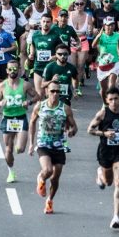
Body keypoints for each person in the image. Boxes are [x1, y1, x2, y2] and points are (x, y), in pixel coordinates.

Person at [28, 81, 77, 215]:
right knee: (47, 170)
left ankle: (49, 201)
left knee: (55, 179)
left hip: (59, 146)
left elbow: (74, 126)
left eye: (57, 91)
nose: (55, 94)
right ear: (46, 92)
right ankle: (41, 178)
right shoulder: (40, 106)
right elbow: (32, 122)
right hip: (43, 144)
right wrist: (31, 144)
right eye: (52, 91)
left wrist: (72, 131)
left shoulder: (65, 108)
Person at [88, 86, 119, 230]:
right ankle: (100, 173)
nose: (114, 102)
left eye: (116, 99)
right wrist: (104, 134)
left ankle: (116, 216)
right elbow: (90, 130)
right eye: (111, 100)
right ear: (107, 101)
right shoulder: (102, 114)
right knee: (108, 182)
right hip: (105, 151)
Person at [0, 58, 38, 183]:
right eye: (10, 69)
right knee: (8, 149)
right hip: (7, 119)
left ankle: (18, 146)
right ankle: (11, 172)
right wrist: (0, 103)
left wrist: (29, 102)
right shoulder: (2, 86)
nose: (12, 71)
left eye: (15, 68)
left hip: (21, 118)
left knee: (20, 149)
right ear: (7, 70)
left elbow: (37, 96)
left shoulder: (25, 84)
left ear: (19, 70)